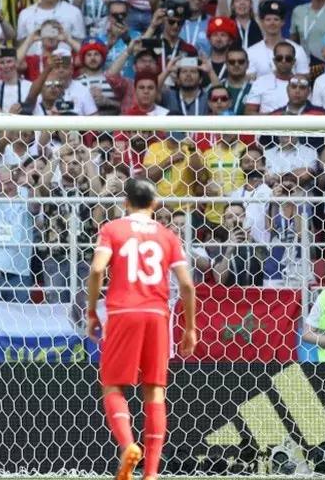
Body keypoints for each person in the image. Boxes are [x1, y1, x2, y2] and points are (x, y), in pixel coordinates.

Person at [86, 178, 197, 480]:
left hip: (123, 312)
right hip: (157, 314)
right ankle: (151, 474)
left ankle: (127, 445)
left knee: (112, 385)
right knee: (155, 392)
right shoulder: (167, 235)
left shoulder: (113, 229)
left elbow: (97, 269)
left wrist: (91, 311)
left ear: (125, 204)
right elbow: (186, 285)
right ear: (155, 204)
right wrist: (189, 327)